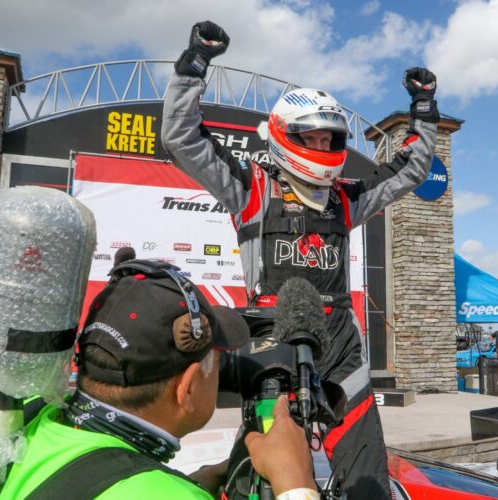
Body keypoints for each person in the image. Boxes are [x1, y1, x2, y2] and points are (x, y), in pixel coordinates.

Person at [162, 20, 439, 498]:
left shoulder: (347, 198)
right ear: (283, 135)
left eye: (331, 140)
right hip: (270, 346)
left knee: (369, 484)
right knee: (256, 482)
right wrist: (194, 64)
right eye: (310, 138)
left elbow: (411, 169)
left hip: (340, 349)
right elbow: (181, 136)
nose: (323, 148)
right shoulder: (250, 187)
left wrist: (425, 108)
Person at [0, 260, 318, 499]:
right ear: (188, 388)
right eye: (217, 359)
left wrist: (181, 482)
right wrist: (296, 483)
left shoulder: (23, 418)